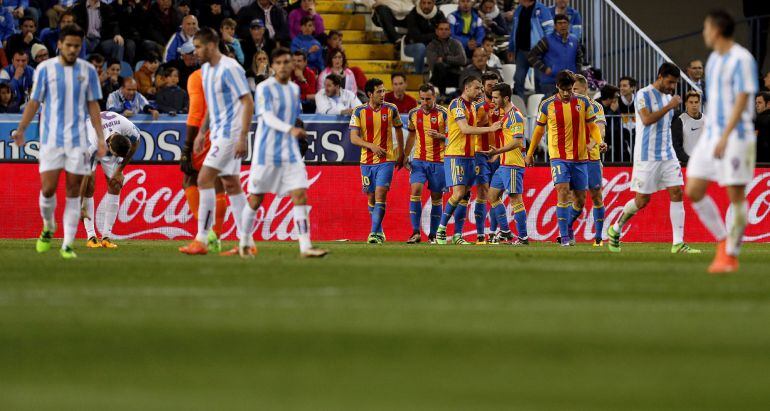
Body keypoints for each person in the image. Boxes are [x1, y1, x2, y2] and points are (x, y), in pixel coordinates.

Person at [11, 24, 105, 259]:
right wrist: (21, 129)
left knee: (74, 191)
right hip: (52, 140)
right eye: (69, 45)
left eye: (77, 46)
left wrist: (100, 137)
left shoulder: (88, 72)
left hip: (78, 141)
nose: (73, 49)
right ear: (60, 45)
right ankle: (48, 225)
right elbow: (34, 102)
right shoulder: (45, 69)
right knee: (48, 189)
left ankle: (68, 245)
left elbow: (93, 105)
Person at [686, 10, 759, 273]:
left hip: (737, 135)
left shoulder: (741, 58)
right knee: (693, 188)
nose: (704, 32)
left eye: (706, 27)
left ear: (716, 30)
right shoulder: (714, 59)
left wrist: (726, 135)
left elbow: (742, 99)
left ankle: (731, 254)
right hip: (712, 134)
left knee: (736, 196)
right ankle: (722, 240)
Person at [241, 47, 328, 258]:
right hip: (266, 152)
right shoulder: (264, 88)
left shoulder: (293, 90)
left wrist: (293, 131)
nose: (282, 66)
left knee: (300, 194)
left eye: (285, 62)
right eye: (278, 63)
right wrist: (291, 129)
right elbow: (267, 117)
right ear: (272, 66)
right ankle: (244, 240)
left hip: (289, 152)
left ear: (292, 65)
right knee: (256, 199)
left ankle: (305, 247)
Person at [606, 63, 700, 254]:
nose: (672, 87)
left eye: (674, 83)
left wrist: (669, 104)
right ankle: (615, 229)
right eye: (670, 82)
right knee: (642, 201)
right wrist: (669, 106)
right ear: (660, 76)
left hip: (667, 154)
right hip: (647, 156)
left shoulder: (667, 97)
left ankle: (678, 243)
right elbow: (647, 119)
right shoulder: (643, 94)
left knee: (676, 192)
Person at [180, 28, 254, 256]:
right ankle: (247, 243)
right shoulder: (206, 71)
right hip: (218, 133)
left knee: (204, 179)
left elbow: (248, 102)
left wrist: (242, 136)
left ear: (211, 45)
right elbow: (213, 106)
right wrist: (202, 132)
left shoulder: (230, 68)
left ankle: (202, 239)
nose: (196, 52)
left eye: (199, 47)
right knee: (231, 184)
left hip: (231, 135)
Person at [524, 70, 601, 246]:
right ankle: (565, 237)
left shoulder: (583, 102)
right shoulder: (547, 105)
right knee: (563, 191)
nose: (566, 93)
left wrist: (599, 141)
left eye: (569, 90)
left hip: (581, 158)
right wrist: (529, 153)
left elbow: (593, 126)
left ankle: (566, 228)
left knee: (580, 201)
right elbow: (538, 131)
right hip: (558, 157)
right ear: (557, 86)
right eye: (563, 89)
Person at [435, 76, 501, 245]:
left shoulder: (472, 106)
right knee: (457, 194)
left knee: (464, 196)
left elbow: (481, 121)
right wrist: (490, 128)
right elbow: (464, 128)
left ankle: (457, 235)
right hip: (456, 155)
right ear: (467, 88)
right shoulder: (457, 105)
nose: (480, 91)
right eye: (477, 88)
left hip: (469, 156)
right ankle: (441, 231)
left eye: (480, 88)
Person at [349, 78, 405, 244]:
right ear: (369, 94)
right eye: (379, 91)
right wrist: (371, 146)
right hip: (366, 161)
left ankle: (373, 233)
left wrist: (401, 153)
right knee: (371, 196)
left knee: (381, 193)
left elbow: (399, 129)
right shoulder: (358, 111)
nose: (383, 94)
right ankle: (379, 231)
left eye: (383, 90)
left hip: (386, 159)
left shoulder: (391, 109)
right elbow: (353, 138)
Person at [179, 67, 228, 254]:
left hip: (206, 132)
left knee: (191, 178)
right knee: (223, 183)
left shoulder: (198, 76)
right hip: (229, 131)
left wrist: (187, 145)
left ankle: (208, 235)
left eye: (198, 48)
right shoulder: (231, 72)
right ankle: (217, 237)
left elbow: (196, 112)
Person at [477, 82, 528, 245]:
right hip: (504, 164)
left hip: (513, 164)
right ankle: (505, 231)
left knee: (516, 200)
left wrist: (496, 152)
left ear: (506, 98)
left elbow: (517, 141)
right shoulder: (505, 115)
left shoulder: (515, 116)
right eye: (492, 97)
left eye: (496, 97)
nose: (493, 101)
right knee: (492, 196)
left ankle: (523, 237)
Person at [79, 111, 140, 249]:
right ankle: (91, 237)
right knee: (89, 185)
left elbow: (137, 142)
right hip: (87, 139)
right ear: (111, 148)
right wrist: (78, 206)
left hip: (107, 132)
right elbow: (83, 177)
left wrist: (119, 170)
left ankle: (107, 237)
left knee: (116, 184)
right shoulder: (90, 145)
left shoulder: (127, 127)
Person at [404, 84, 447, 244]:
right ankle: (415, 232)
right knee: (415, 190)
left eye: (428, 99)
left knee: (436, 197)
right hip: (419, 160)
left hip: (439, 161)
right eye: (421, 99)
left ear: (434, 97)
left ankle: (433, 235)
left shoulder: (444, 113)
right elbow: (411, 136)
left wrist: (441, 136)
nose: (424, 102)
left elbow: (453, 137)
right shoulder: (413, 113)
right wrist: (404, 155)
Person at [572, 73, 608, 246]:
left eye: (576, 89)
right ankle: (567, 232)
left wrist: (593, 143)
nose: (573, 93)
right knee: (577, 199)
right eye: (571, 89)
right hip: (572, 159)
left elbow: (600, 129)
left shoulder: (595, 107)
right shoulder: (568, 107)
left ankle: (599, 237)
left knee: (596, 196)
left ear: (585, 89)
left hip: (592, 158)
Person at [470, 72, 502, 243]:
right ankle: (480, 234)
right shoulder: (477, 107)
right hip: (480, 153)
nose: (493, 88)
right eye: (490, 85)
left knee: (496, 194)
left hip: (498, 154)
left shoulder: (503, 107)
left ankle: (493, 232)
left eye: (496, 84)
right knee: (482, 192)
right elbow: (469, 128)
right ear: (483, 87)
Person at [507, 0, 553, 99]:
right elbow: (513, 30)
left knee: (540, 80)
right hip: (521, 51)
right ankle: (519, 107)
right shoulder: (519, 9)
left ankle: (539, 106)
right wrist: (511, 48)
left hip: (538, 53)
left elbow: (549, 30)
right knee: (518, 79)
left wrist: (548, 49)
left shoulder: (542, 9)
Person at [527, 13, 582, 96]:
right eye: (559, 23)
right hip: (551, 83)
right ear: (555, 26)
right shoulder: (547, 40)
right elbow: (531, 56)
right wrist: (545, 69)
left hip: (570, 83)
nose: (562, 25)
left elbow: (579, 58)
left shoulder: (574, 40)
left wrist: (577, 72)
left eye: (565, 23)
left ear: (568, 25)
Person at [425, 20, 466, 95]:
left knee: (467, 73)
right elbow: (433, 64)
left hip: (455, 75)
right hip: (438, 76)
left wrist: (445, 59)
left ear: (450, 31)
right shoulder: (431, 46)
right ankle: (442, 95)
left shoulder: (456, 43)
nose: (444, 31)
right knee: (440, 67)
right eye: (441, 29)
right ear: (436, 31)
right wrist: (453, 62)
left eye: (446, 29)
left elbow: (463, 60)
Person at [403, 0, 445, 75]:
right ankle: (418, 77)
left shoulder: (439, 14)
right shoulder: (412, 15)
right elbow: (417, 38)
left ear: (434, 3)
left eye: (429, 3)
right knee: (420, 47)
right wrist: (435, 35)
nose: (426, 6)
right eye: (423, 3)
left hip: (433, 47)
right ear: (420, 3)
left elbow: (444, 34)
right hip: (412, 47)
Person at [671, 90, 704, 165]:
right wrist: (690, 160)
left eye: (696, 102)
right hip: (686, 164)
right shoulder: (680, 121)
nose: (694, 105)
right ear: (686, 103)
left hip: (702, 164)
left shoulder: (706, 120)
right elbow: (676, 147)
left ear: (699, 103)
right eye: (691, 102)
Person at [756, 91, 770, 163]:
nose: (757, 105)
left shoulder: (759, 120)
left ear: (768, 104)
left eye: (760, 102)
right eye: (756, 103)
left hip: (762, 164)